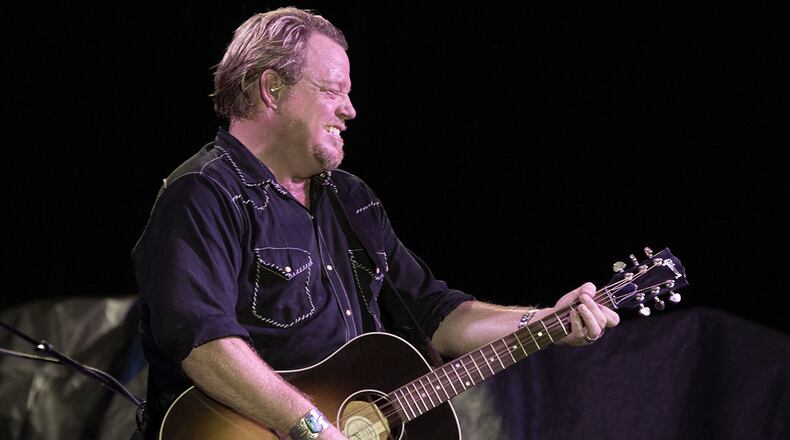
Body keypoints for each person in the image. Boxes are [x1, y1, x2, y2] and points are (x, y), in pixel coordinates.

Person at [132, 7, 620, 439]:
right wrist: (313, 428)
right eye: (332, 91)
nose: (350, 110)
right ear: (272, 88)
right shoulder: (202, 194)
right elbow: (204, 344)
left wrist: (546, 323)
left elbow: (438, 315)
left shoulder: (351, 199)